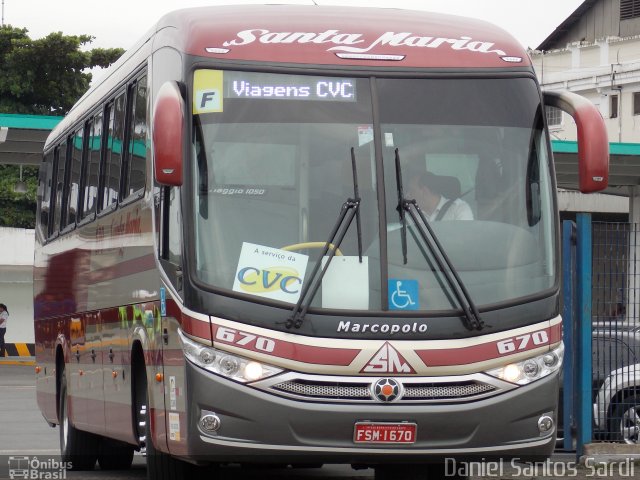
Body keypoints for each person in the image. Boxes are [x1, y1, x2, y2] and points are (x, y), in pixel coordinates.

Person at [407, 170, 473, 222]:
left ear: (425, 191)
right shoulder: (410, 215)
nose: (407, 195)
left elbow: (465, 237)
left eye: (412, 191)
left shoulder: (459, 209)